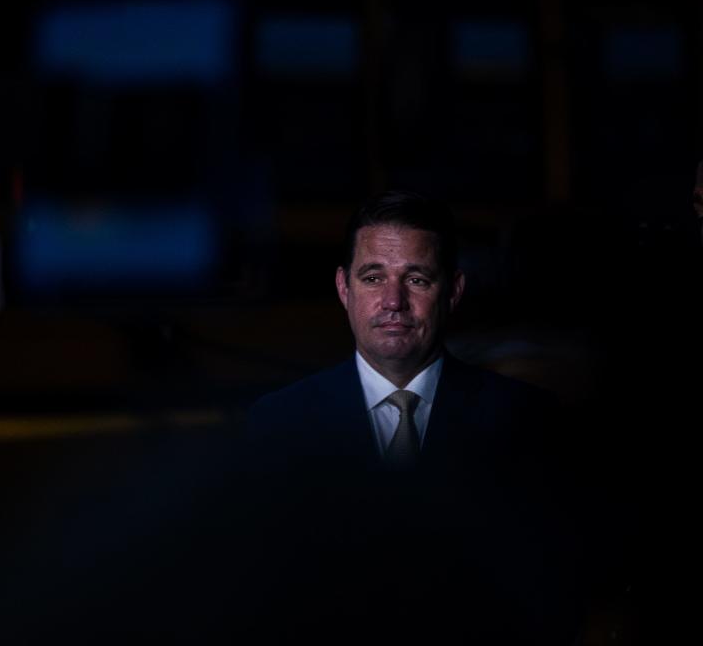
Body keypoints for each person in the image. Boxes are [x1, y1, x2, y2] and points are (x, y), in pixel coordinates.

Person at [240, 191, 586, 645]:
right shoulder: (276, 425)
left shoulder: (527, 419)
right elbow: (258, 594)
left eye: (417, 279)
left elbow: (555, 591)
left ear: (454, 291)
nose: (393, 301)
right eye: (373, 277)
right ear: (344, 288)